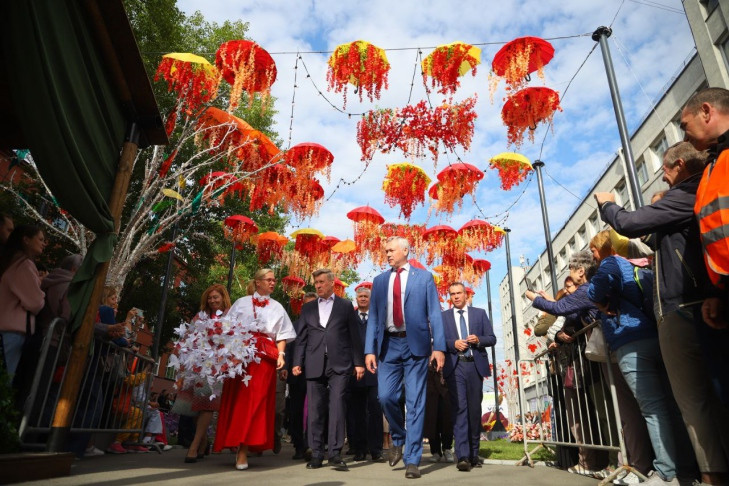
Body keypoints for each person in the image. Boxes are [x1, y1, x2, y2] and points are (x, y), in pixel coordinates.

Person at [596, 140, 729, 485]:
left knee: (690, 402)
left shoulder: (688, 193)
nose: (663, 182)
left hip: (683, 307)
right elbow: (652, 239)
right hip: (692, 304)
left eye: (664, 173)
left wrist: (609, 206)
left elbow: (629, 222)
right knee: (698, 399)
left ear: (678, 165)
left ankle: (704, 474)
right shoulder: (700, 194)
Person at [587, 231, 693, 485]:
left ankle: (666, 472)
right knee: (671, 403)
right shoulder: (641, 261)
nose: (592, 254)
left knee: (652, 408)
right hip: (655, 333)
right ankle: (687, 468)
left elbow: (592, 292)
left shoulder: (612, 262)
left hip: (629, 339)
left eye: (593, 249)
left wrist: (600, 301)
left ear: (604, 247)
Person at [365, 236, 446, 479]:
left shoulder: (424, 277)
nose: (387, 254)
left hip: (417, 347)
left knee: (415, 402)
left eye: (391, 250)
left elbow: (434, 312)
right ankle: (398, 436)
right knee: (385, 397)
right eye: (386, 250)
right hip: (388, 346)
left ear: (405, 250)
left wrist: (439, 346)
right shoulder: (379, 281)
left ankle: (413, 459)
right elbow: (374, 318)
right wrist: (369, 349)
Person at [525, 251, 610, 478]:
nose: (570, 283)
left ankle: (612, 461)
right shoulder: (581, 293)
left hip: (593, 355)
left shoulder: (586, 290)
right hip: (580, 360)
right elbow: (546, 325)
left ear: (580, 271)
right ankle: (594, 460)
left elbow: (561, 312)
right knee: (584, 413)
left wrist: (535, 299)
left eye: (571, 273)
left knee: (605, 412)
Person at [213, 268, 296, 470]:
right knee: (240, 400)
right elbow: (227, 328)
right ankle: (240, 445)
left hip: (265, 356)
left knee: (258, 400)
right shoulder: (241, 303)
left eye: (274, 280)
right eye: (269, 279)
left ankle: (247, 445)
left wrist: (282, 355)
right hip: (240, 354)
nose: (273, 283)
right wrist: (227, 353)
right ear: (258, 282)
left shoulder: (277, 307)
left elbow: (282, 334)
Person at [292, 268, 364, 471]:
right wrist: (297, 362)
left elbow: (354, 336)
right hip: (314, 363)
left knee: (337, 407)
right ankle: (316, 454)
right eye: (316, 283)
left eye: (322, 282)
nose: (318, 285)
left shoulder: (345, 306)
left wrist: (358, 363)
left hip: (340, 364)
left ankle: (334, 453)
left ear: (332, 283)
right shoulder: (308, 309)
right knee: (315, 410)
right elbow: (301, 339)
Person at [680, 87, 729, 330]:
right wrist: (716, 292)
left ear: (706, 112)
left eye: (685, 125)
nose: (685, 138)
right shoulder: (713, 165)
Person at [441, 282, 496, 472]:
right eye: (452, 294)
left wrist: (479, 340)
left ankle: (474, 453)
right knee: (460, 409)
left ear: (466, 295)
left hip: (475, 366)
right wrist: (452, 344)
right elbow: (438, 341)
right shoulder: (444, 317)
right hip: (455, 367)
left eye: (459, 293)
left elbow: (492, 338)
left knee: (473, 410)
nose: (456, 297)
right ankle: (462, 456)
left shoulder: (479, 314)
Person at [183, 284, 232, 463]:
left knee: (206, 405)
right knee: (196, 407)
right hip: (197, 365)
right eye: (210, 298)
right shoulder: (200, 316)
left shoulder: (230, 316)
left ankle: (194, 447)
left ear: (223, 298)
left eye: (216, 297)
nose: (212, 301)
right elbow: (188, 337)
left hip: (217, 367)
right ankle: (203, 442)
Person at [0, 224, 46, 377]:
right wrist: (41, 292)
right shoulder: (23, 265)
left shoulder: (11, 261)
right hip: (12, 332)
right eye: (40, 239)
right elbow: (36, 303)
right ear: (26, 239)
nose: (43, 243)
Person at [346, 286, 384, 463]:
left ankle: (376, 449)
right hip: (355, 372)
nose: (362, 299)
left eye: (365, 296)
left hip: (375, 371)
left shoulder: (377, 319)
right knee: (357, 413)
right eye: (359, 296)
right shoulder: (350, 318)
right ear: (356, 299)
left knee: (375, 411)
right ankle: (359, 449)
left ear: (370, 299)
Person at [287, 291, 317, 460]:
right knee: (296, 411)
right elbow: (289, 348)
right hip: (297, 375)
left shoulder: (322, 325)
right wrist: (286, 367)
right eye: (307, 304)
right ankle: (299, 445)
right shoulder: (294, 325)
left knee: (315, 409)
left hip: (316, 373)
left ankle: (313, 444)